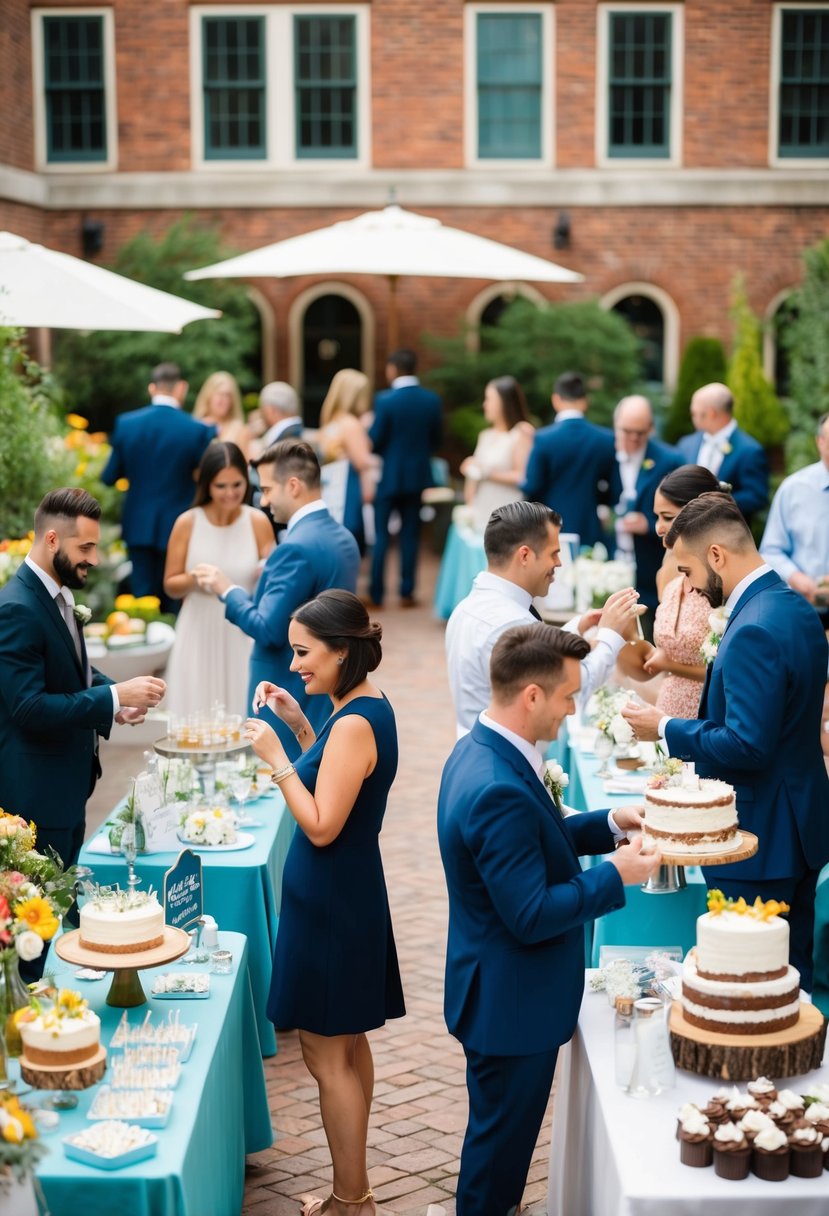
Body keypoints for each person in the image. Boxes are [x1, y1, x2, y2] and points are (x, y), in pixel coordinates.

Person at [438, 622, 661, 1216]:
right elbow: (531, 913)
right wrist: (616, 874)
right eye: (568, 694)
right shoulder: (495, 786)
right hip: (511, 1003)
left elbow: (533, 845)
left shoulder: (481, 749)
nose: (572, 708)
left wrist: (610, 821)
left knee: (500, 1152)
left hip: (501, 989)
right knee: (496, 1166)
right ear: (532, 695)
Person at [622, 493, 829, 989]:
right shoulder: (794, 607)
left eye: (688, 572)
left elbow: (748, 744)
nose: (689, 588)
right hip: (797, 821)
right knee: (786, 972)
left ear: (717, 556)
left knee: (749, 981)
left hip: (761, 838)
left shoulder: (753, 627)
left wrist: (665, 728)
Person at [244, 589, 405, 1216]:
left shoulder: (357, 722)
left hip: (333, 897)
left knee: (326, 1052)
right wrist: (300, 723)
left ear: (343, 652)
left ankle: (349, 1200)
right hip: (346, 889)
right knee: (348, 1045)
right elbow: (336, 766)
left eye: (305, 653)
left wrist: (277, 756)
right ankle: (355, 1190)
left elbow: (320, 824)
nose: (293, 666)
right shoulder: (362, 705)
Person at [0, 489, 166, 871]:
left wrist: (117, 703)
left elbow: (72, 670)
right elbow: (29, 707)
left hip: (67, 791)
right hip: (35, 800)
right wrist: (112, 695)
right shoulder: (16, 608)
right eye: (86, 547)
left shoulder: (58, 594)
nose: (94, 558)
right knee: (42, 919)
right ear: (52, 539)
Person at [192, 440, 360, 757]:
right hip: (327, 689)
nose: (264, 500)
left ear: (293, 485)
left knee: (280, 784)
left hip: (288, 691)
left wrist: (227, 589)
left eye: (268, 490)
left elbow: (267, 629)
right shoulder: (343, 538)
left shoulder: (294, 547)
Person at [445, 500, 640, 736]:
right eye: (554, 553)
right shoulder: (511, 623)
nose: (559, 563)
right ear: (525, 555)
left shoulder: (468, 607)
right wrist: (611, 635)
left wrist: (576, 628)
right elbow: (572, 687)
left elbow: (535, 658)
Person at [162, 443, 273, 717]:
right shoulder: (187, 522)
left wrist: (265, 572)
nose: (231, 493)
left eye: (237, 484)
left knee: (242, 704)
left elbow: (274, 576)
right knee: (197, 708)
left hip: (241, 630)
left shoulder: (257, 521)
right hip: (198, 627)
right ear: (207, 484)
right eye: (221, 486)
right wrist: (194, 579)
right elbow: (170, 584)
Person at [101, 361, 216, 613]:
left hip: (138, 523)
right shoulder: (197, 431)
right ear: (181, 388)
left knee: (142, 600)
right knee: (176, 598)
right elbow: (207, 479)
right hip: (180, 525)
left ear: (152, 388)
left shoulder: (126, 424)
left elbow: (109, 476)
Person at [622, 465, 724, 718]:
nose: (658, 527)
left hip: (709, 718)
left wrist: (670, 665)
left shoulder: (725, 577)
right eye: (656, 516)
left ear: (699, 513)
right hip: (667, 713)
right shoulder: (667, 572)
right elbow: (662, 658)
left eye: (667, 517)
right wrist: (627, 635)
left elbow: (730, 672)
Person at [368, 348, 443, 608]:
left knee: (381, 535)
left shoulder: (385, 400)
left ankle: (376, 594)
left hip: (389, 476)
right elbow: (436, 439)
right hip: (417, 477)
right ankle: (407, 593)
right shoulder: (431, 400)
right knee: (411, 535)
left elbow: (375, 440)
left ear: (393, 369)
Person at [608, 394, 682, 623]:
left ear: (650, 429)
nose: (632, 438)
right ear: (615, 426)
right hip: (608, 569)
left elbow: (683, 517)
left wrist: (649, 525)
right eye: (626, 431)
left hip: (650, 573)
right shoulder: (605, 455)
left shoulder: (669, 460)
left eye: (639, 433)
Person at [522, 371, 616, 548]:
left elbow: (532, 486)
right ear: (585, 401)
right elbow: (615, 490)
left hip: (551, 526)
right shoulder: (605, 439)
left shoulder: (543, 438)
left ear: (555, 400)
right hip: (590, 526)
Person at [760, 411, 829, 628]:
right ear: (820, 442)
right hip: (804, 609)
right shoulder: (793, 489)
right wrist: (796, 577)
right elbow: (771, 550)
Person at [677, 382, 768, 523]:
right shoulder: (686, 444)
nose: (692, 417)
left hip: (727, 533)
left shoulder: (749, 450)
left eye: (694, 413)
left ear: (711, 413)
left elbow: (756, 497)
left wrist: (719, 503)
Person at [460, 375, 535, 533]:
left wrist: (485, 471)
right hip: (480, 514)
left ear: (504, 402)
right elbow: (474, 479)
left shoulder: (521, 431)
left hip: (507, 517)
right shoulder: (485, 435)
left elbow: (523, 477)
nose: (484, 405)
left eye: (489, 399)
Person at [315, 368, 377, 551]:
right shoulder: (351, 424)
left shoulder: (330, 422)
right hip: (348, 491)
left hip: (330, 491)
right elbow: (362, 461)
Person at [192, 370, 252, 460]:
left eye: (227, 395)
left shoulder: (240, 430)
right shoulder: (195, 425)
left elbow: (244, 465)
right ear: (208, 396)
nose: (222, 400)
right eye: (219, 394)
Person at [257, 381, 303, 451]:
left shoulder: (285, 439)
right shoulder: (296, 432)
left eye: (261, 410)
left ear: (270, 410)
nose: (260, 414)